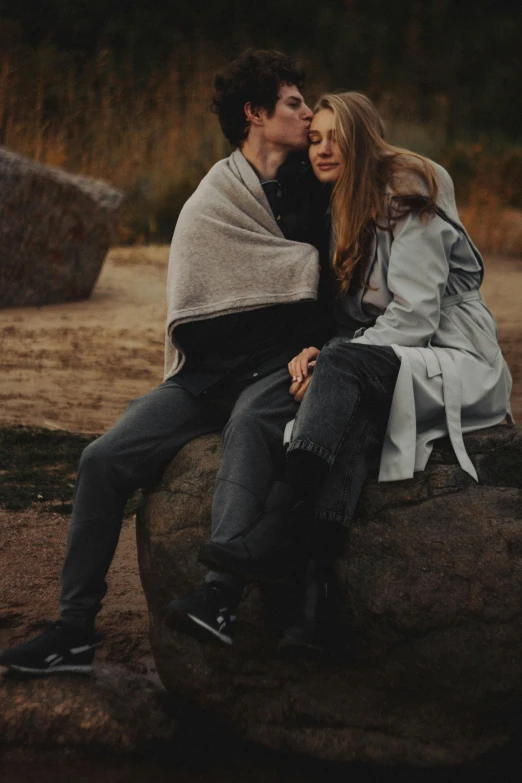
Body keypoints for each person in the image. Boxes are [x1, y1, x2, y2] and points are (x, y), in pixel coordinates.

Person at [0, 50, 335, 675]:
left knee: (249, 429)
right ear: (255, 114)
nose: (308, 113)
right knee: (101, 459)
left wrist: (316, 349)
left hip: (278, 372)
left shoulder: (317, 189)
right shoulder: (215, 196)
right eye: (294, 103)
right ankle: (73, 632)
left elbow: (335, 286)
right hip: (205, 378)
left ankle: (223, 598)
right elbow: (197, 298)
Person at [198, 91, 513, 655]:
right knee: (356, 419)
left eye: (334, 136)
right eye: (314, 137)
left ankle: (280, 525)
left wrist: (336, 361)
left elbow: (415, 315)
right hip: (390, 358)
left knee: (344, 373)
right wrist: (317, 352)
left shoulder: (411, 184)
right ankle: (314, 609)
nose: (321, 148)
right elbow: (355, 322)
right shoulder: (343, 206)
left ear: (363, 135)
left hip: (454, 354)